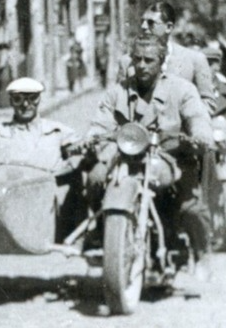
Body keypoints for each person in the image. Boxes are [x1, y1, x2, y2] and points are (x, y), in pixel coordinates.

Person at [89, 20, 215, 271]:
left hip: (171, 156)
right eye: (137, 60)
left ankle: (201, 251)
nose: (142, 66)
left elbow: (198, 118)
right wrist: (94, 137)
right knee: (94, 178)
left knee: (190, 208)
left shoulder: (182, 89)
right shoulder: (118, 92)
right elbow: (100, 122)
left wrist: (199, 136)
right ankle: (100, 231)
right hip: (125, 158)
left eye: (149, 60)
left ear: (161, 63)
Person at [0, 76, 73, 174]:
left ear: (39, 99)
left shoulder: (57, 130)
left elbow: (77, 147)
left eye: (32, 98)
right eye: (18, 99)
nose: (25, 104)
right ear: (11, 101)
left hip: (48, 193)